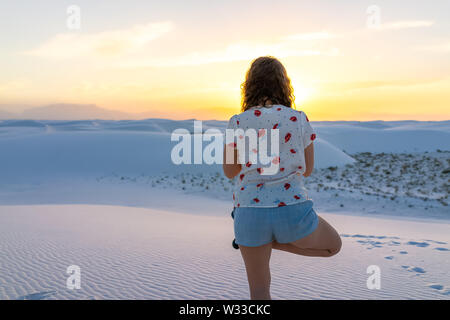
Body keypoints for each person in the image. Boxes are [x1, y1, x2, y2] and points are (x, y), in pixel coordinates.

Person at [223, 56, 342, 300]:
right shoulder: (298, 119)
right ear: (284, 85)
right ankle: (274, 242)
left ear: (250, 85)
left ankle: (262, 242)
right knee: (333, 246)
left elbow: (230, 170)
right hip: (293, 211)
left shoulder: (237, 121)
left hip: (249, 214)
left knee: (258, 293)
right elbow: (307, 170)